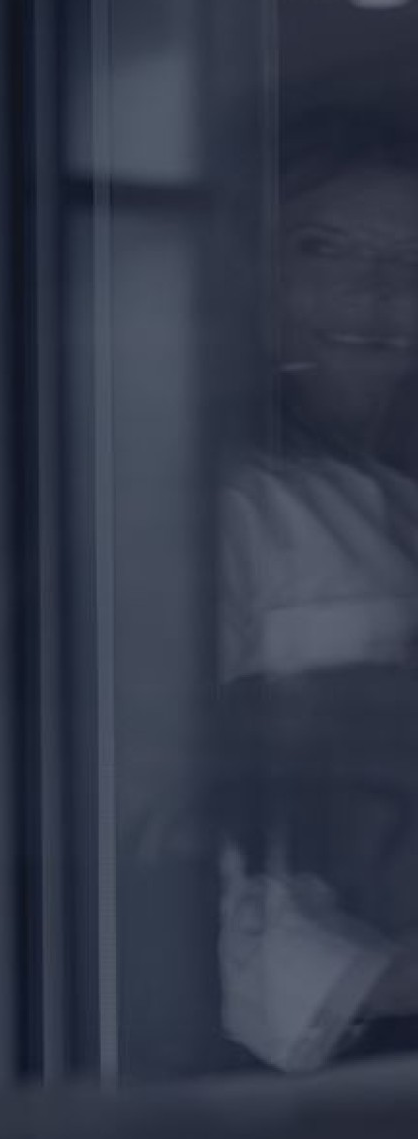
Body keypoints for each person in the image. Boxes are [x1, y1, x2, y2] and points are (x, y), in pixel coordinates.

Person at [217, 108, 418, 1071]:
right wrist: (371, 983)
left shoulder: (391, 498)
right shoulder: (219, 512)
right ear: (253, 274)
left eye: (411, 258)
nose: (378, 292)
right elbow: (143, 822)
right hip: (318, 1055)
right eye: (328, 247)